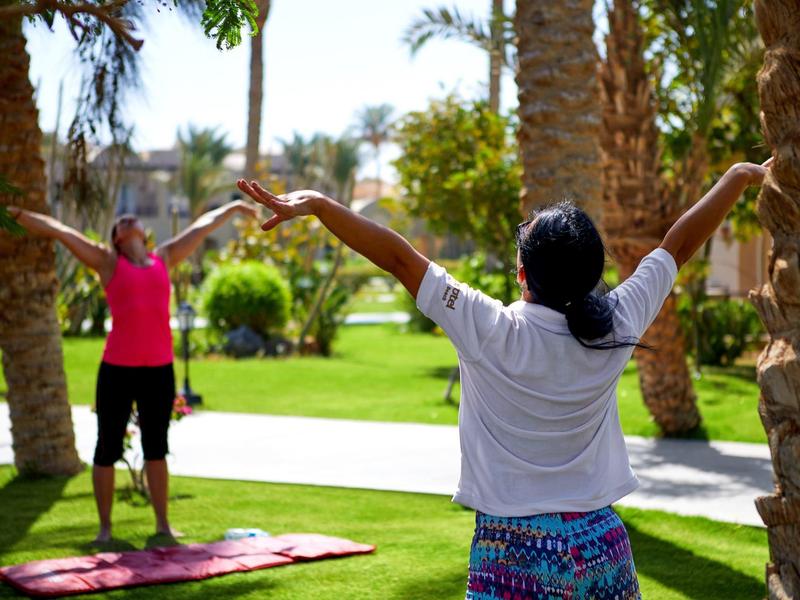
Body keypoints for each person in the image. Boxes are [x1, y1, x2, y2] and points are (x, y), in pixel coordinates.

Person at [236, 156, 771, 600]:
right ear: (591, 274)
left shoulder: (490, 329)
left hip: (513, 550)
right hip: (604, 545)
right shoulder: (617, 323)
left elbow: (400, 258)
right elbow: (676, 247)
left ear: (521, 275)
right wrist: (739, 176)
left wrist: (320, 205)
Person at [7, 200, 257, 543]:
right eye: (120, 221)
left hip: (159, 370)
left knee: (157, 447)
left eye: (131, 217)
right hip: (117, 370)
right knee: (107, 447)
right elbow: (59, 231)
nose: (127, 219)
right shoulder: (108, 263)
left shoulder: (164, 259)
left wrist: (234, 208)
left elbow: (202, 227)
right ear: (118, 239)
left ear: (142, 232)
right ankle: (105, 528)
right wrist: (14, 213)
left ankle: (162, 525)